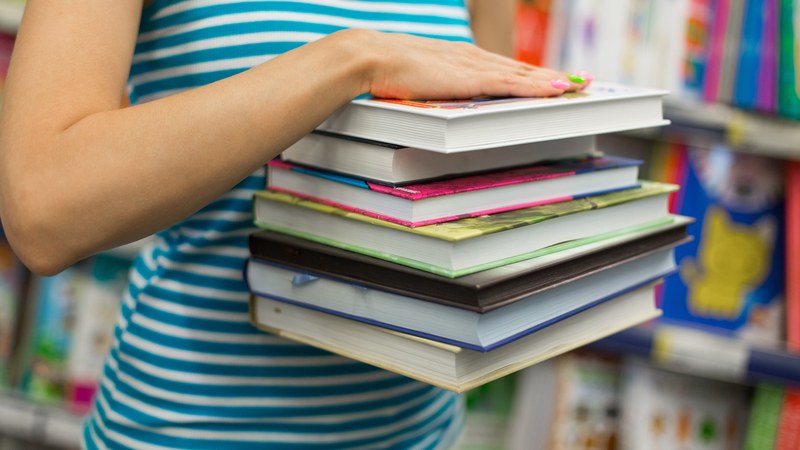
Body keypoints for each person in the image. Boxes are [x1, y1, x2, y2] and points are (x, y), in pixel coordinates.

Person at [0, 0, 588, 448]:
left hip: (424, 428)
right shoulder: (355, 54)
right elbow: (44, 212)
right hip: (194, 424)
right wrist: (352, 59)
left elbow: (476, 164)